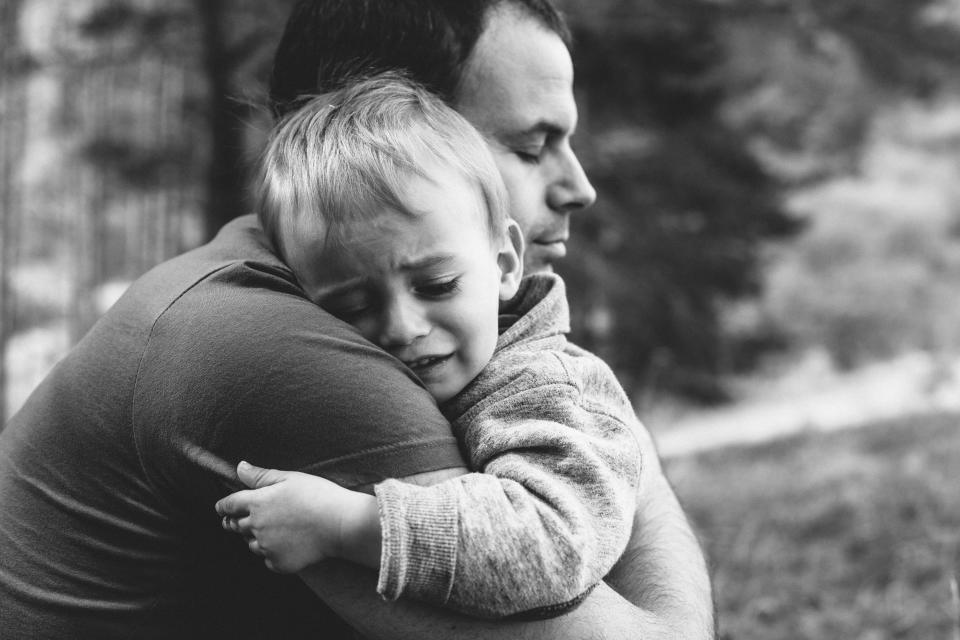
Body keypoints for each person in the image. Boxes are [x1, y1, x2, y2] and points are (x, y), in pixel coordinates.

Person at [0, 0, 713, 638]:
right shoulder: (271, 348)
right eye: (531, 145)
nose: (579, 186)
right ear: (394, 130)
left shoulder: (299, 290)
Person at [214, 75, 642, 620]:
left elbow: (552, 545)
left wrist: (345, 525)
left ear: (505, 263)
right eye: (350, 308)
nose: (401, 327)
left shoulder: (543, 386)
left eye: (437, 285)